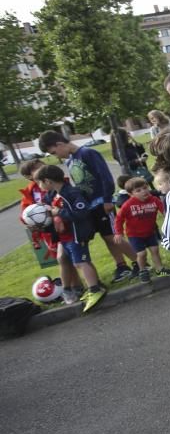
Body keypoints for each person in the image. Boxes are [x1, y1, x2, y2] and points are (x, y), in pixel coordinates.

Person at [38, 131, 139, 284]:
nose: (56, 156)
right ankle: (121, 266)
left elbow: (105, 176)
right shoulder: (69, 161)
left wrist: (107, 199)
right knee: (106, 238)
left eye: (54, 152)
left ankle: (139, 262)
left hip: (101, 202)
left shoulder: (88, 153)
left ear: (59, 144)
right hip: (89, 206)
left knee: (113, 236)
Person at [34, 164, 105, 312]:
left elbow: (82, 212)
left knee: (81, 262)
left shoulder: (71, 192)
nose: (39, 186)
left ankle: (94, 289)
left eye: (39, 182)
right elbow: (47, 209)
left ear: (47, 181)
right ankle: (96, 285)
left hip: (76, 235)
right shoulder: (52, 194)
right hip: (64, 236)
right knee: (72, 260)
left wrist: (59, 212)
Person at [19, 159, 82, 305]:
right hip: (48, 230)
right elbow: (26, 213)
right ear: (29, 176)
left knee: (71, 256)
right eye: (37, 168)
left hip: (65, 225)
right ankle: (75, 286)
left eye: (43, 166)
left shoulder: (58, 184)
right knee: (63, 259)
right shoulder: (30, 192)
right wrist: (30, 223)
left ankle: (80, 286)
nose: (43, 169)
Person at [113, 177, 170, 283]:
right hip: (134, 235)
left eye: (145, 188)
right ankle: (142, 271)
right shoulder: (128, 205)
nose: (144, 191)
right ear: (131, 194)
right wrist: (118, 232)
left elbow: (164, 211)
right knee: (141, 254)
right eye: (138, 190)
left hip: (150, 232)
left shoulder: (154, 200)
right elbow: (119, 219)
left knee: (155, 250)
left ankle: (160, 269)